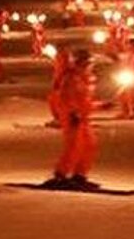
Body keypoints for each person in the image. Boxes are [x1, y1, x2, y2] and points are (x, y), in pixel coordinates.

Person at [41, 49, 99, 189]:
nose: (90, 66)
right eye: (87, 63)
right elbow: (65, 98)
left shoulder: (86, 78)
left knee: (89, 145)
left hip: (82, 117)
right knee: (74, 146)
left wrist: (101, 106)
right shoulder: (71, 78)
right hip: (72, 116)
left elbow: (84, 100)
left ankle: (79, 175)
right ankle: (61, 174)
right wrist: (73, 113)